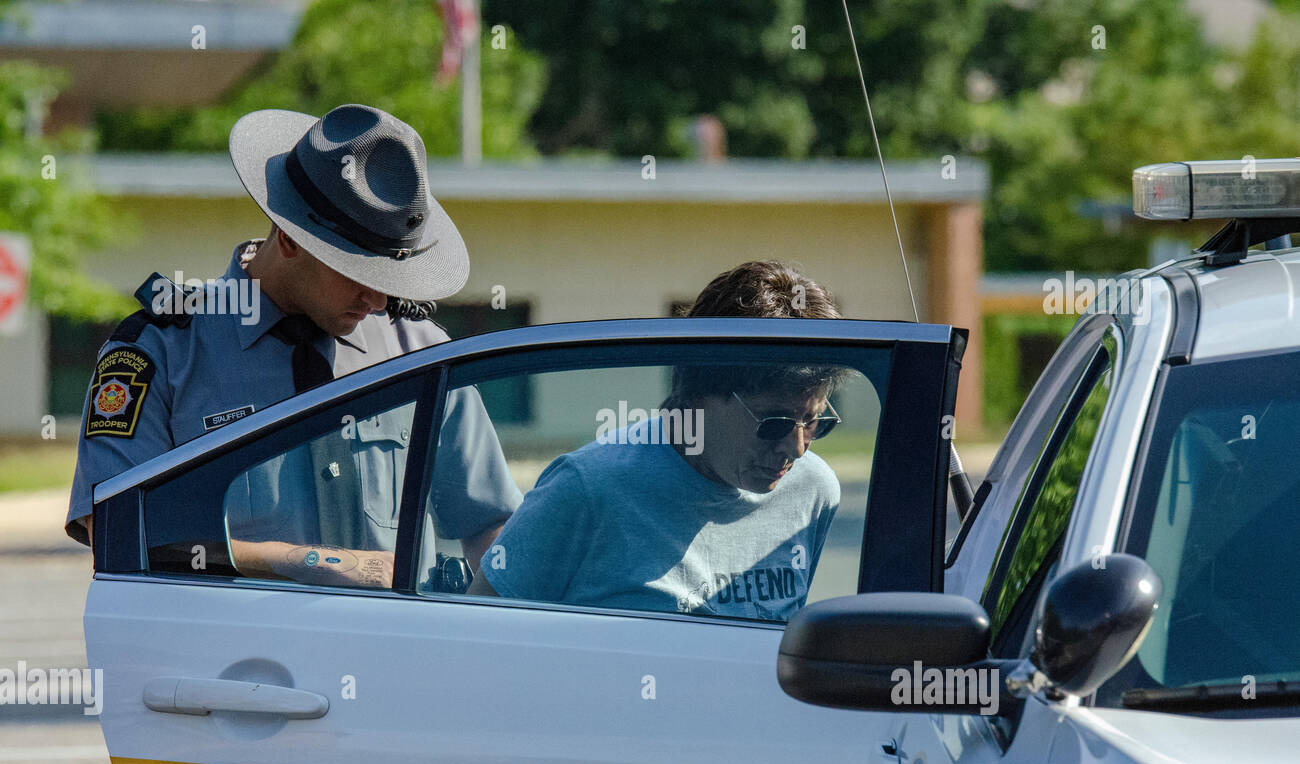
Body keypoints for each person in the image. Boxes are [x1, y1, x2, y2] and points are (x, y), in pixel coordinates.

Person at [66, 103, 521, 586]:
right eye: (358, 272)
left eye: (391, 272)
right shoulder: (158, 354)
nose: (379, 296)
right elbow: (120, 536)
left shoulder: (422, 355)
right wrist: (318, 564)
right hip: (233, 656)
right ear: (288, 239)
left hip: (401, 653)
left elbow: (490, 525)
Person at [468, 260, 847, 621]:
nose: (796, 448)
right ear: (702, 394)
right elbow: (479, 633)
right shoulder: (585, 489)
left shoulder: (814, 490)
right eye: (774, 423)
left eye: (814, 421)